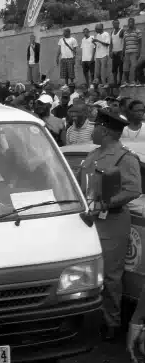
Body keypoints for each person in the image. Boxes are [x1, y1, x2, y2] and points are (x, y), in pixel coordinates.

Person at [78, 110, 142, 340]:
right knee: (87, 273)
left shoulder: (125, 158)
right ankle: (88, 317)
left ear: (104, 131)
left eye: (95, 127)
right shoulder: (93, 155)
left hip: (112, 221)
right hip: (87, 221)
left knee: (109, 275)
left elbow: (133, 189)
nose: (92, 130)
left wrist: (106, 203)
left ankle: (111, 322)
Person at [122, 17, 142, 86]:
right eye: (129, 22)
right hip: (127, 52)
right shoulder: (125, 32)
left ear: (134, 23)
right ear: (128, 23)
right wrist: (123, 53)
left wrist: (139, 52)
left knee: (134, 67)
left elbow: (139, 43)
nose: (130, 23)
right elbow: (124, 43)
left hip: (134, 52)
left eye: (131, 22)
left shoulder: (138, 31)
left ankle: (134, 81)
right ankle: (126, 82)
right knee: (126, 68)